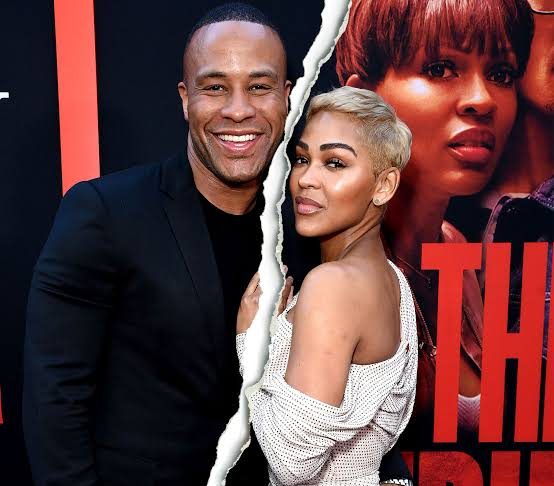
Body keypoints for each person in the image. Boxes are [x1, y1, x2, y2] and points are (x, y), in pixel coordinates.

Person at [23, 3, 411, 485]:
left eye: (260, 86)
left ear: (287, 96)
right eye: (215, 88)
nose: (238, 110)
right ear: (185, 98)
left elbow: (358, 399)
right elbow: (55, 399)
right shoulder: (106, 214)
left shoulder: (311, 226)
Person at [335, 0, 534, 442]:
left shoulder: (455, 251)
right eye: (441, 68)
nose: (483, 99)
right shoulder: (336, 274)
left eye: (501, 74)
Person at [236, 87, 418, 485]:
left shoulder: (332, 285)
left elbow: (291, 464)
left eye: (335, 163)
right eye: (303, 159)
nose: (306, 178)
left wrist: (252, 343)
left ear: (384, 186)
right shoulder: (391, 278)